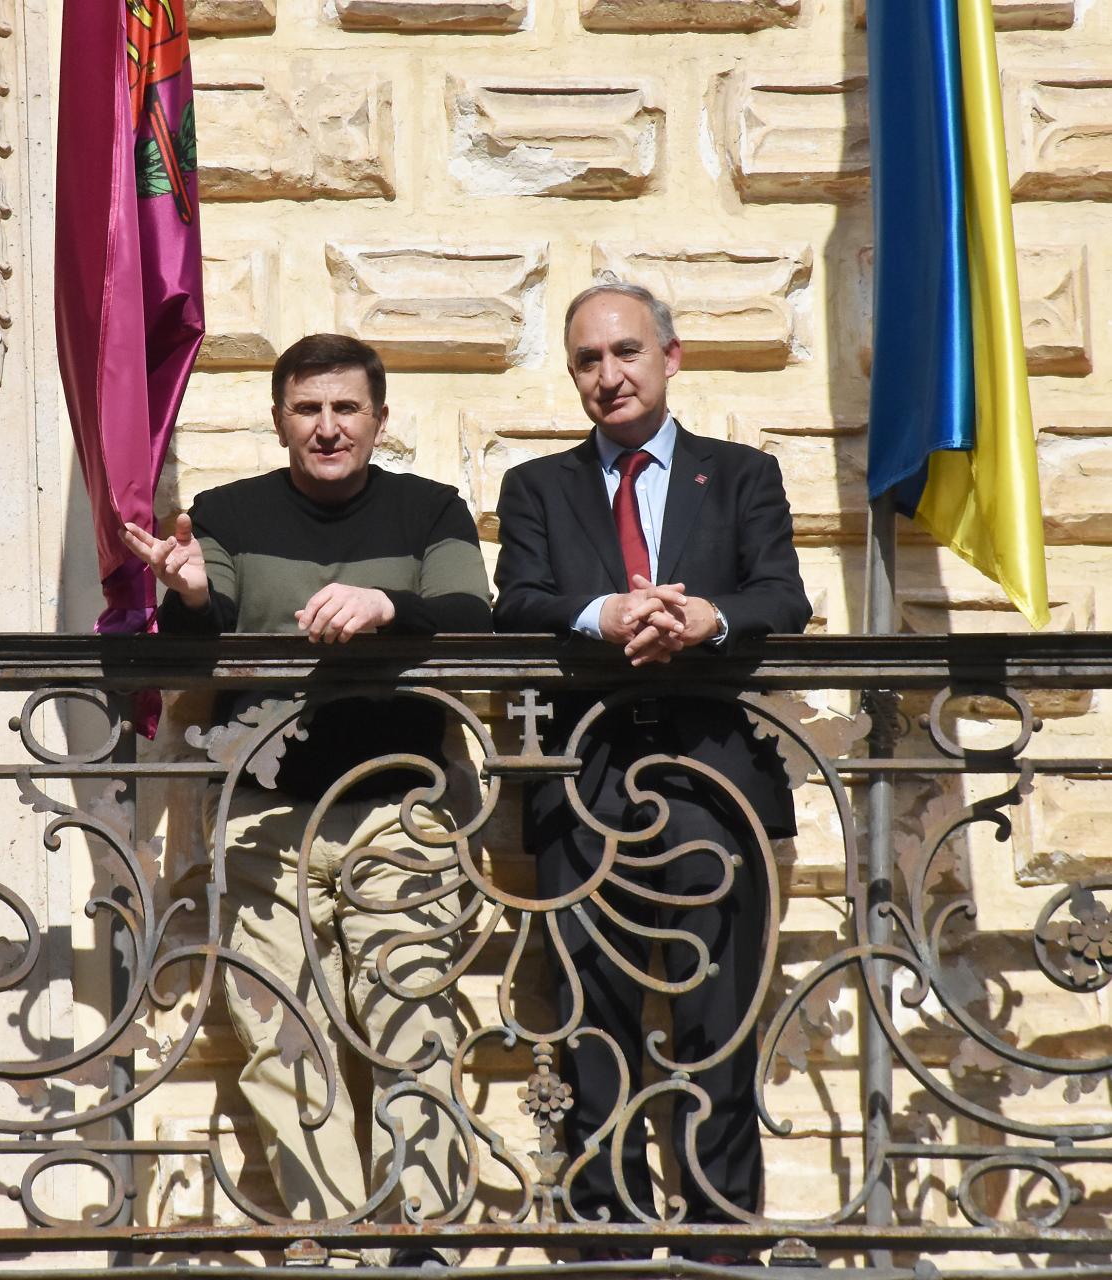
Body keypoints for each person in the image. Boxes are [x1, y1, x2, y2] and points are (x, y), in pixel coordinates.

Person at [122, 333, 491, 1261]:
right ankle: (331, 1243)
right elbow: (195, 632)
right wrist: (194, 596)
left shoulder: (429, 509)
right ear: (279, 416)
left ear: (378, 416)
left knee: (413, 1018)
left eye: (346, 408)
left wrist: (384, 606)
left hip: (399, 809)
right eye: (307, 409)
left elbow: (470, 615)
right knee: (280, 1034)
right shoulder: (228, 512)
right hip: (264, 813)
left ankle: (423, 1242)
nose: (327, 428)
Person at [491, 281, 810, 1257]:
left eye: (625, 352)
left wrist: (707, 618)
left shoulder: (740, 473)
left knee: (716, 1031)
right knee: (594, 1031)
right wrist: (602, 615)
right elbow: (517, 603)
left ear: (669, 358)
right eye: (587, 359)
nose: (607, 375)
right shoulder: (536, 486)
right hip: (582, 788)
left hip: (715, 783)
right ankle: (609, 1251)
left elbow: (781, 596)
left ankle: (723, 1248)